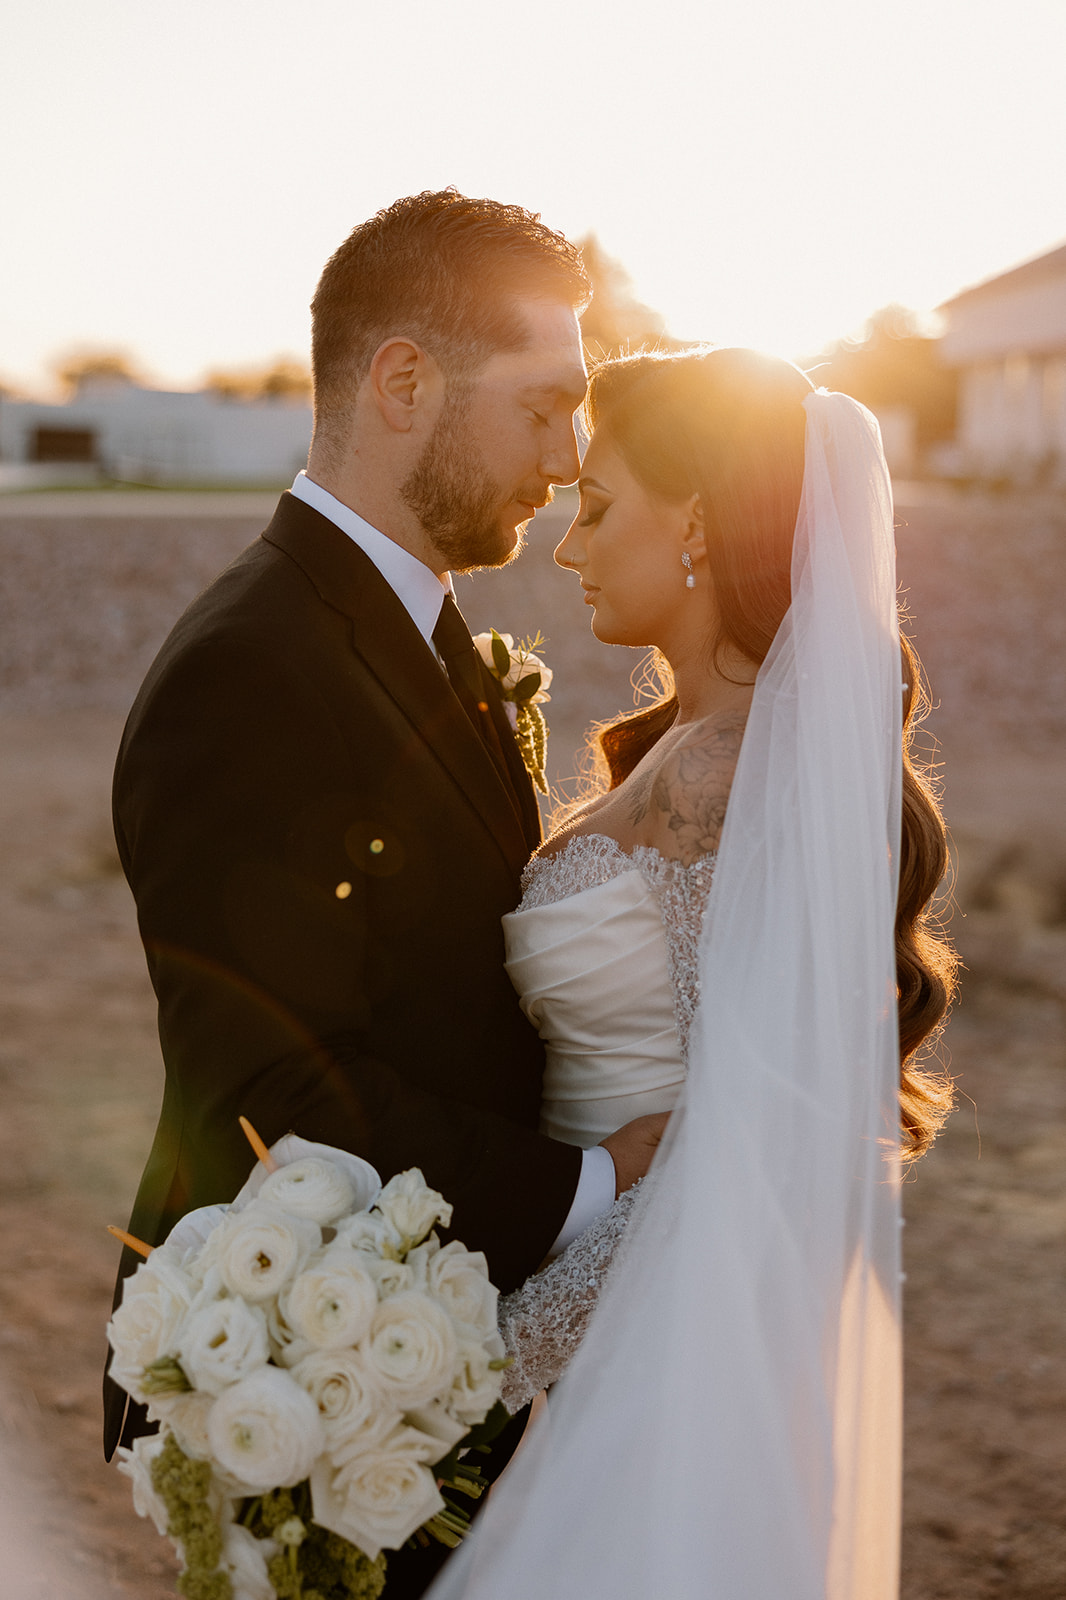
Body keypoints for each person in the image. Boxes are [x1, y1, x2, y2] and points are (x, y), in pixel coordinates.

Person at [103, 192, 667, 1593]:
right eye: (545, 406)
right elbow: (273, 1088)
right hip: (311, 1374)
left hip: (432, 1341)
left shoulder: (422, 633)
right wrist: (600, 1181)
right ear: (403, 380)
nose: (568, 457)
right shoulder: (255, 668)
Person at [426, 347, 956, 1600]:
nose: (566, 546)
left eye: (598, 507)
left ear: (702, 525)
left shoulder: (722, 779)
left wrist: (499, 1352)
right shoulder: (692, 758)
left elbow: (733, 1137)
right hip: (608, 1296)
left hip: (637, 1337)